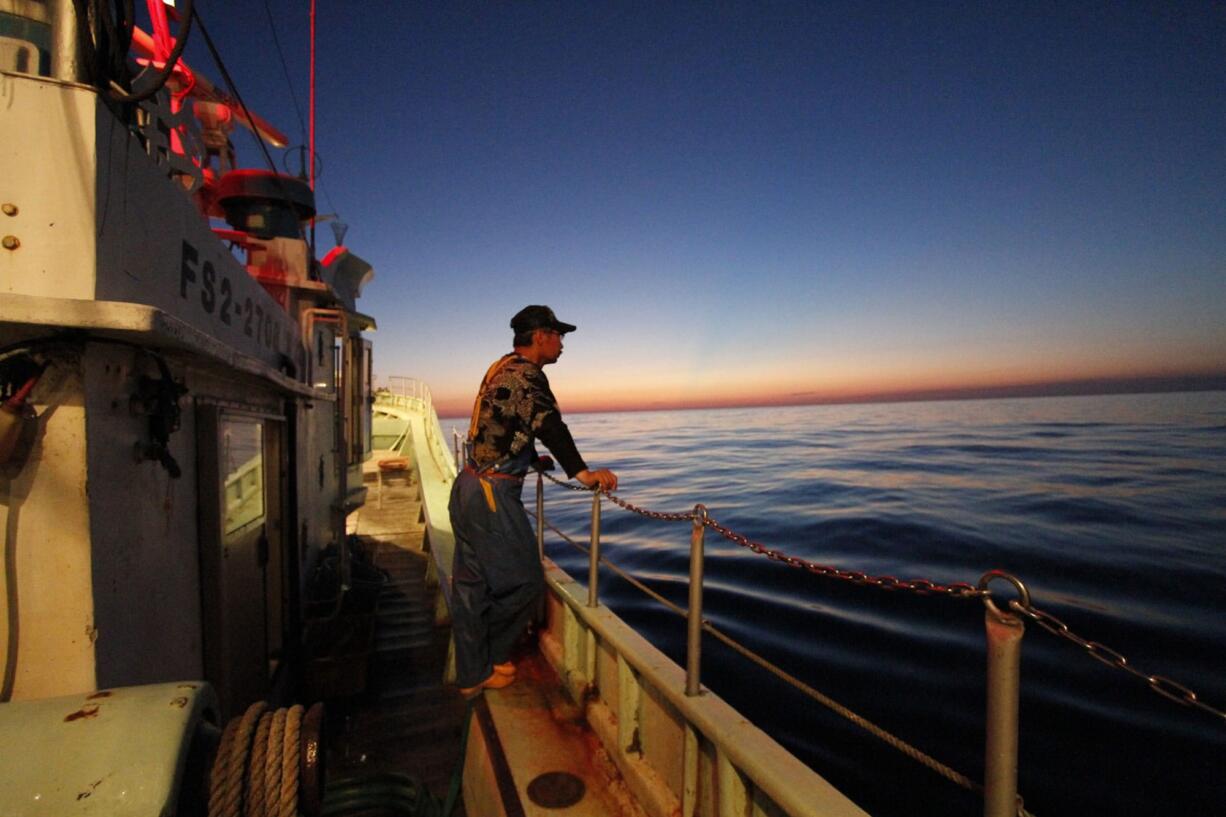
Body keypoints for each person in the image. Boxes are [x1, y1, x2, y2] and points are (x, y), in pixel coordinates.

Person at [448, 305, 619, 696]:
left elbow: (504, 425)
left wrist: (529, 458)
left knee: (471, 584)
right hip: (492, 494)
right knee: (524, 582)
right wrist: (584, 473)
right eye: (558, 335)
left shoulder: (501, 367)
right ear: (540, 336)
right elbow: (549, 425)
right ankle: (490, 655)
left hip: (470, 484)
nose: (562, 344)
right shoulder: (529, 375)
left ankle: (473, 674)